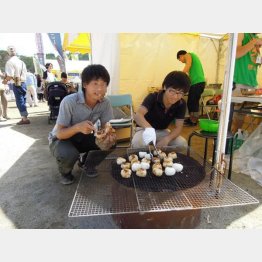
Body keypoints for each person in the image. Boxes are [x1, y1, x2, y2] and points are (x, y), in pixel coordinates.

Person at [48, 64, 117, 185]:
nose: (100, 89)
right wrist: (78, 127)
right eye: (95, 84)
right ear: (85, 84)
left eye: (104, 84)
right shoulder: (69, 101)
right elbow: (59, 133)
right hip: (61, 139)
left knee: (110, 143)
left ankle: (86, 163)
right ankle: (65, 172)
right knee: (68, 154)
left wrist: (108, 134)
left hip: (84, 137)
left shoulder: (105, 103)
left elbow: (107, 126)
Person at [131, 70, 191, 148]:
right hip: (144, 128)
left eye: (180, 93)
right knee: (137, 143)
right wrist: (149, 129)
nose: (175, 96)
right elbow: (138, 115)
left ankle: (166, 159)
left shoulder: (181, 104)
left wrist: (167, 139)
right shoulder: (153, 97)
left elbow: (178, 127)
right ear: (165, 87)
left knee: (181, 144)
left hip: (162, 131)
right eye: (172, 91)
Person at [231, 33, 262, 134]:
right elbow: (235, 54)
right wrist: (253, 43)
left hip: (252, 83)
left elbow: (254, 62)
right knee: (234, 119)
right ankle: (226, 144)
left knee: (240, 118)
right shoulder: (241, 32)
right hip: (240, 82)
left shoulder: (254, 37)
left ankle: (240, 141)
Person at [177, 50, 206, 126]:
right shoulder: (193, 58)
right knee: (193, 102)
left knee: (192, 103)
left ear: (181, 55)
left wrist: (179, 76)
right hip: (198, 83)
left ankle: (193, 121)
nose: (181, 61)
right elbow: (190, 76)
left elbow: (188, 65)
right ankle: (192, 119)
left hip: (198, 83)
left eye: (180, 59)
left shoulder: (188, 55)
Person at [3, 46, 30, 125]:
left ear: (8, 53)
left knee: (19, 101)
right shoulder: (22, 62)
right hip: (24, 82)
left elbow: (10, 75)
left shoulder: (9, 62)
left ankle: (24, 118)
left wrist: (5, 81)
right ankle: (25, 117)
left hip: (16, 82)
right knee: (23, 100)